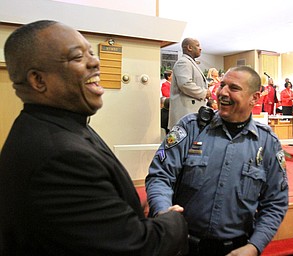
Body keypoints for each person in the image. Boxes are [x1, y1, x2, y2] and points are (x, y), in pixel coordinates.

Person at [0, 20, 188, 256]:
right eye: (77, 57)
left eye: (91, 52)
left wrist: (121, 201)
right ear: (38, 80)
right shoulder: (60, 158)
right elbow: (139, 247)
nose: (95, 61)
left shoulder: (62, 124)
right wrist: (174, 221)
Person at [146, 66, 288, 256]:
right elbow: (160, 176)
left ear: (254, 98)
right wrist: (163, 211)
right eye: (222, 85)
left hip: (235, 249)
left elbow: (275, 202)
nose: (222, 92)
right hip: (181, 246)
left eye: (233, 88)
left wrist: (254, 246)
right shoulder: (190, 128)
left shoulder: (268, 143)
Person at [168, 38, 211, 129]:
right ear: (189, 47)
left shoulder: (189, 62)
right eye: (197, 45)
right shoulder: (183, 62)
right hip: (186, 112)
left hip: (193, 110)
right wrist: (204, 93)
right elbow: (185, 84)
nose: (200, 48)